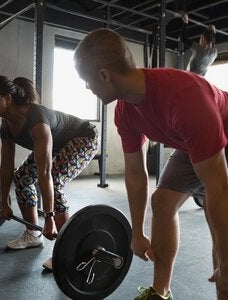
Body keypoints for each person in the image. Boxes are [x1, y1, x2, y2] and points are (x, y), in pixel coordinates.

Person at [74, 28, 228, 300]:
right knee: (162, 202)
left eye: (86, 81)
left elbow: (219, 187)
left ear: (103, 75)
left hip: (221, 137)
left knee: (221, 249)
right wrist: (136, 233)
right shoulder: (124, 110)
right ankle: (161, 292)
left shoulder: (183, 97)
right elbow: (135, 172)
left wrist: (226, 260)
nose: (87, 88)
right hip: (190, 143)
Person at [0, 75, 99, 270]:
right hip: (57, 144)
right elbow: (7, 167)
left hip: (84, 137)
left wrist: (49, 218)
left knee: (55, 179)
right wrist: (3, 202)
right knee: (23, 177)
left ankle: (69, 250)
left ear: (8, 98)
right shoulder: (6, 126)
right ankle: (33, 234)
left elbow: (44, 172)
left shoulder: (36, 119)